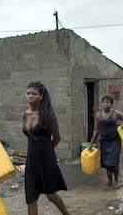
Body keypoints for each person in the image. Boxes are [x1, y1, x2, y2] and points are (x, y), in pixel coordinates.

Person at [22, 81, 71, 215]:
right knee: (31, 197)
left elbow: (57, 138)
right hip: (31, 161)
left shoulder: (48, 116)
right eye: (28, 93)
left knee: (51, 194)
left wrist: (46, 151)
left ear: (41, 96)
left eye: (34, 94)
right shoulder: (25, 114)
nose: (30, 96)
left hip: (46, 160)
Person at [88, 95, 123, 189]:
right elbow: (96, 130)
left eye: (108, 102)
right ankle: (109, 180)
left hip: (114, 140)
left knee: (114, 161)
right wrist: (91, 143)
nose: (105, 104)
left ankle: (116, 180)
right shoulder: (98, 115)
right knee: (106, 162)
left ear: (111, 104)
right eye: (104, 102)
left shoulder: (116, 113)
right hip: (104, 141)